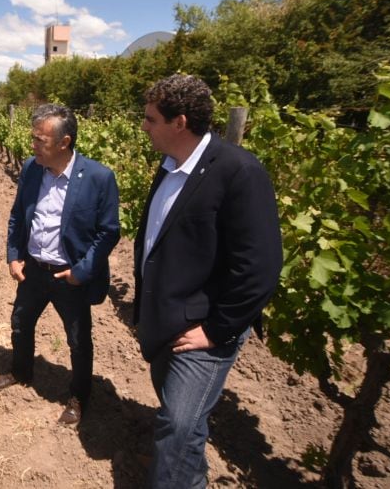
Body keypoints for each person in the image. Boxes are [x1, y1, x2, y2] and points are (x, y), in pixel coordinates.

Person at [133, 74, 282, 487]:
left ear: (179, 122)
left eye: (150, 119)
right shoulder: (169, 167)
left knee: (177, 426)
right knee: (184, 418)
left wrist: (215, 329)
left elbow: (261, 267)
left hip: (201, 328)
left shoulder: (239, 172)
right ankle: (186, 476)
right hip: (164, 318)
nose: (143, 126)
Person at [0, 103, 120, 427]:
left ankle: (79, 395)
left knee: (78, 339)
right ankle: (21, 371)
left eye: (39, 140)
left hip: (68, 276)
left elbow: (109, 231)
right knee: (20, 323)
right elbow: (19, 214)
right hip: (33, 269)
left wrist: (81, 271)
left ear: (64, 142)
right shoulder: (32, 168)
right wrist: (14, 254)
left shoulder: (99, 177)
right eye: (33, 139)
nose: (32, 146)